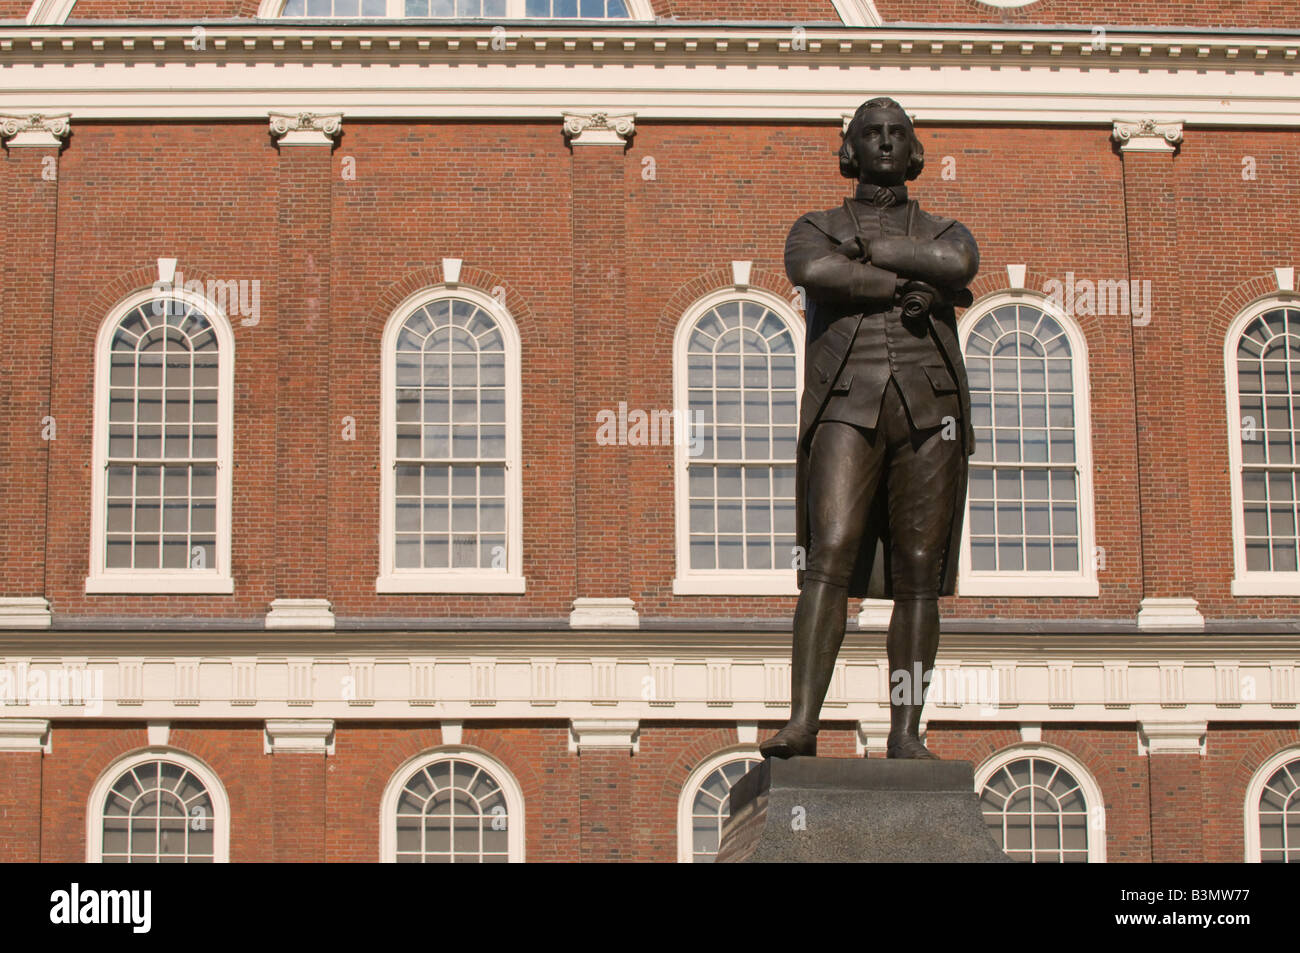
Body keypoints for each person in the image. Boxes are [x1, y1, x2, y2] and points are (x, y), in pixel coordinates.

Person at [761, 97, 980, 760]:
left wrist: (873, 252)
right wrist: (905, 280)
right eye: (871, 134)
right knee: (827, 553)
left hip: (928, 405)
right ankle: (803, 722)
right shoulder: (817, 225)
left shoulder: (947, 228)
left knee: (919, 568)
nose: (885, 143)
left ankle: (906, 733)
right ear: (851, 150)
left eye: (897, 135)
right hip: (847, 403)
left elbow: (961, 265)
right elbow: (812, 269)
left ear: (913, 152)